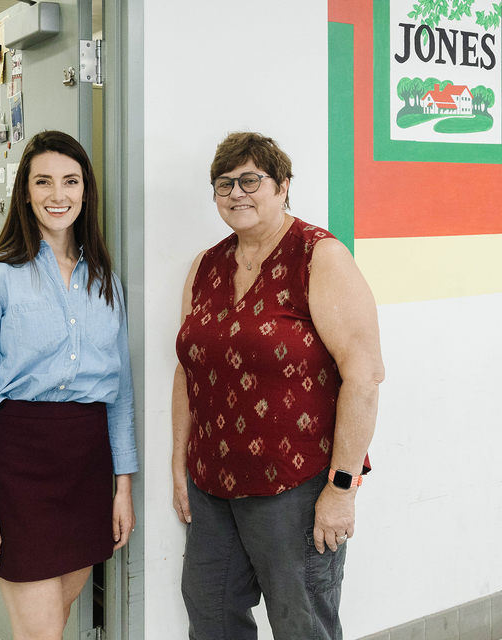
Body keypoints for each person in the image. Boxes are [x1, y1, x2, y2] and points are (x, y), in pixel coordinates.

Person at [172, 132, 384, 639]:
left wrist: (341, 489)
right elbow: (188, 369)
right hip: (211, 482)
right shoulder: (205, 265)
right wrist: (179, 463)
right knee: (211, 614)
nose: (236, 193)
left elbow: (365, 374)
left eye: (251, 180)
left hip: (297, 486)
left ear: (283, 186)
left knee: (302, 623)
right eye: (224, 184)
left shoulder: (319, 255)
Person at [0, 130, 138, 640]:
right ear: (26, 192)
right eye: (44, 182)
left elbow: (119, 395)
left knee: (53, 619)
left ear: (86, 191)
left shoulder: (106, 282)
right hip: (20, 464)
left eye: (71, 181)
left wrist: (123, 487)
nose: (58, 195)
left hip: (87, 462)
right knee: (41, 633)